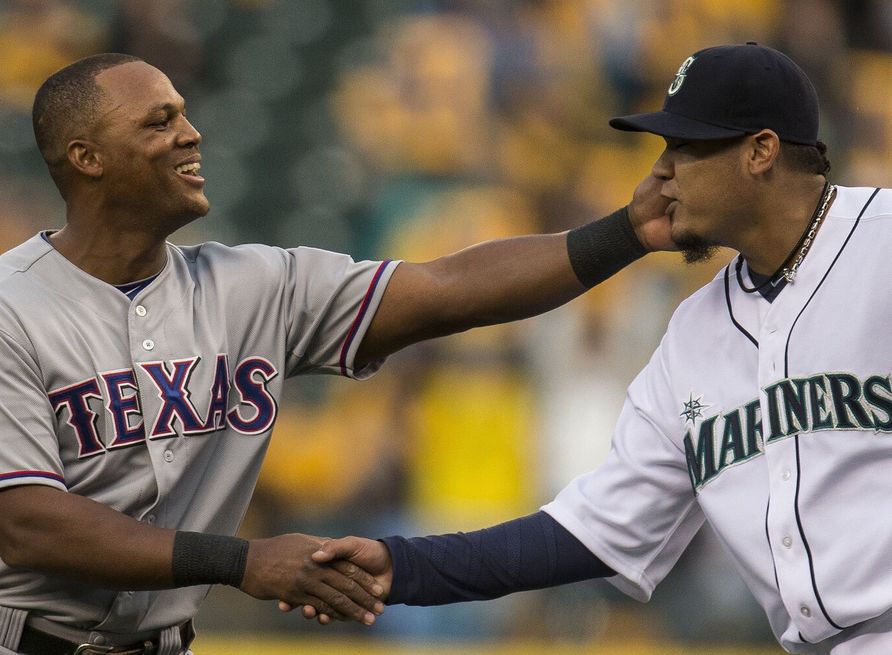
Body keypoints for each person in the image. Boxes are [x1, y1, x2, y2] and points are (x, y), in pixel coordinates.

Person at [0, 53, 672, 654]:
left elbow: (446, 288)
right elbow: (29, 526)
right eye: (159, 120)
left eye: (186, 113)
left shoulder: (252, 286)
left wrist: (627, 232)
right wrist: (244, 561)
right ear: (87, 157)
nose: (190, 132)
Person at [305, 43, 892, 655]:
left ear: (760, 151)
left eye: (685, 147)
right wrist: (402, 567)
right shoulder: (695, 333)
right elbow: (588, 533)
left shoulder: (881, 245)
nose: (661, 171)